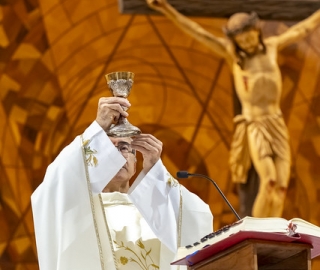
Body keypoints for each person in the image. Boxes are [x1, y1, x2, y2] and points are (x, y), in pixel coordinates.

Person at [146, 0, 320, 217]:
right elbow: (199, 32)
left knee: (282, 186)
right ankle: (259, 228)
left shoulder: (273, 47)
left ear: (257, 31)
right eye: (241, 40)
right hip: (255, 124)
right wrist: (166, 9)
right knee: (269, 181)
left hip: (276, 122)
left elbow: (302, 29)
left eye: (249, 37)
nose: (246, 43)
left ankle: (274, 228)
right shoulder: (235, 58)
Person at [31, 96, 213, 270]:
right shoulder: (77, 208)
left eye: (125, 147)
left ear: (136, 162)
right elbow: (52, 187)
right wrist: (97, 128)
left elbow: (196, 215)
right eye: (108, 147)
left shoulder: (157, 211)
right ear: (95, 155)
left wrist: (154, 171)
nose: (119, 154)